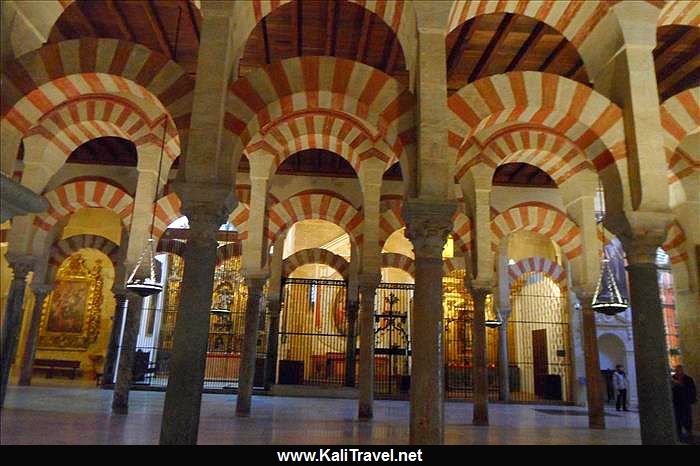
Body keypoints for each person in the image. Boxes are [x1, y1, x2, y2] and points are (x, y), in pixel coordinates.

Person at [672, 365, 697, 442]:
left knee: (687, 419)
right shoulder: (672, 379)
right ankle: (679, 436)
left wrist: (681, 385)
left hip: (685, 403)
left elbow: (692, 390)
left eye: (680, 371)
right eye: (677, 371)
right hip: (676, 404)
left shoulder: (688, 379)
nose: (678, 373)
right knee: (677, 420)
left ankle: (689, 435)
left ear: (683, 371)